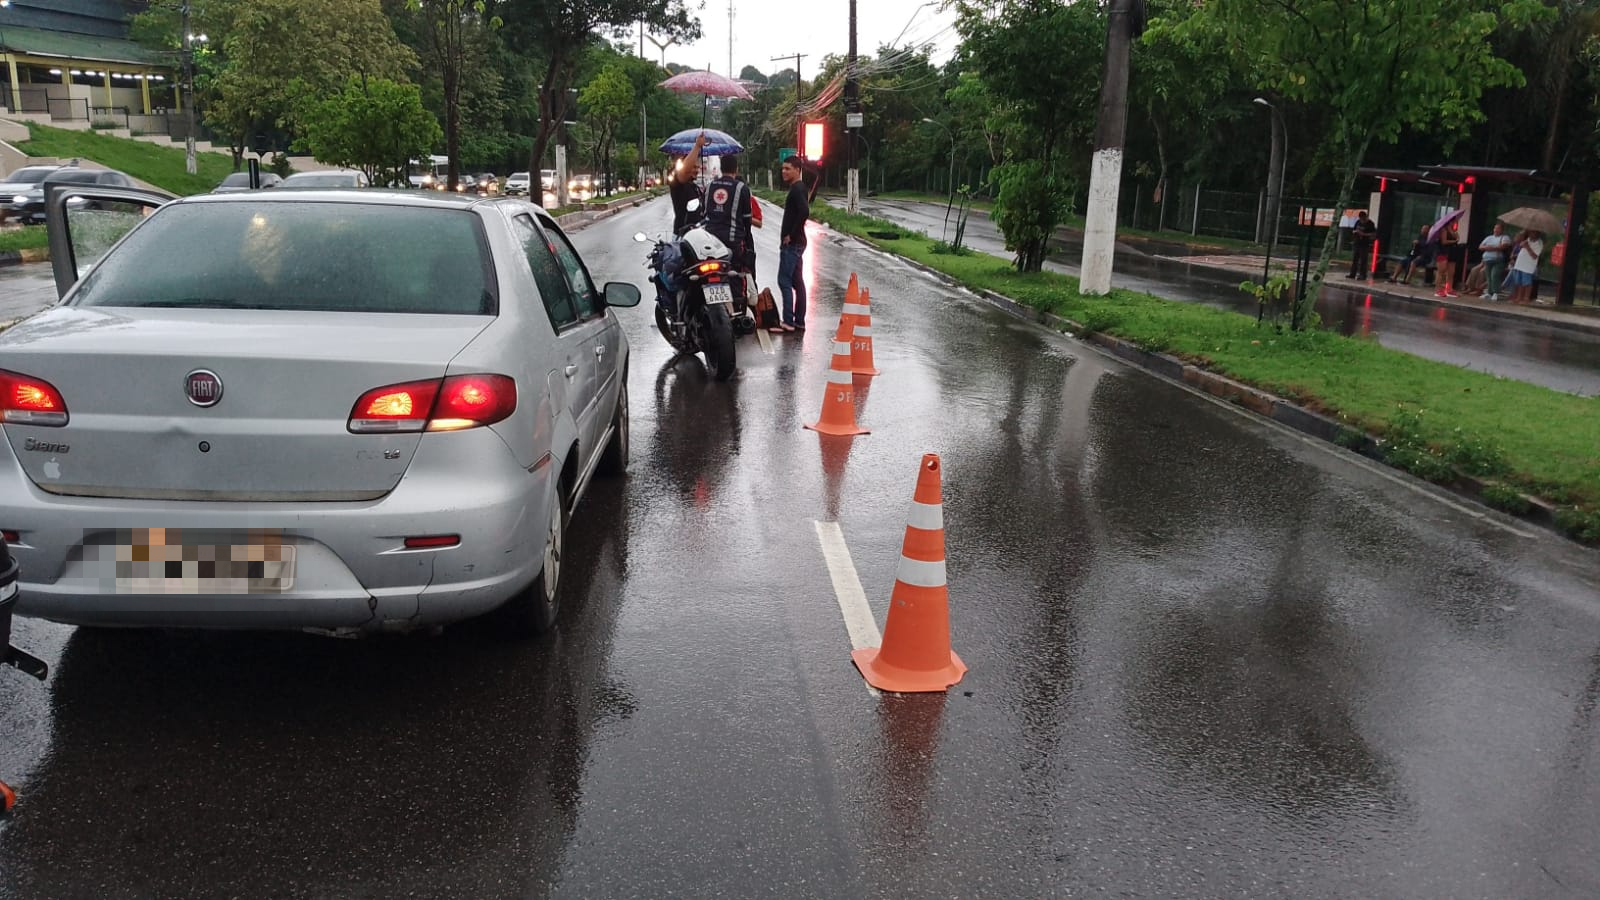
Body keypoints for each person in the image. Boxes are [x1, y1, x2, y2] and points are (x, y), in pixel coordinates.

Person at [774, 156, 810, 333]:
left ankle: (788, 321)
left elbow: (804, 211)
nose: (784, 172)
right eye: (783, 169)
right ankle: (799, 321)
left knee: (784, 280)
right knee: (797, 281)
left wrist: (791, 234)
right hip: (798, 242)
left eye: (788, 169)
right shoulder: (799, 188)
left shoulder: (797, 189)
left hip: (793, 243)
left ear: (797, 169)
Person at [670, 132, 708, 235]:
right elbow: (683, 172)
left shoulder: (695, 187)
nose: (696, 170)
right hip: (682, 236)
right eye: (693, 167)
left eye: (697, 167)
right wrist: (697, 146)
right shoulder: (677, 183)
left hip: (698, 235)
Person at [1478, 222, 1512, 301]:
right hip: (1488, 259)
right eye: (1495, 228)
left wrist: (1490, 248)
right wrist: (1489, 247)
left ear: (1502, 230)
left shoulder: (1504, 237)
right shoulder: (1489, 237)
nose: (1496, 230)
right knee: (1489, 276)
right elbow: (1480, 246)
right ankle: (1489, 292)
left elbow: (1503, 246)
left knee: (1495, 275)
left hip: (1498, 259)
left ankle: (1496, 292)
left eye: (1498, 228)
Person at [1510, 229, 1544, 305]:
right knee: (1519, 282)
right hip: (1520, 264)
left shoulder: (1539, 243)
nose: (1531, 234)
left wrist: (1527, 246)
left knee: (1527, 283)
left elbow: (1535, 256)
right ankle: (1519, 297)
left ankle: (1526, 298)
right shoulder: (1527, 239)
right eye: (1530, 232)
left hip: (1528, 266)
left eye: (1533, 232)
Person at [1346, 210, 1377, 279]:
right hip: (1357, 242)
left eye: (1363, 219)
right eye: (1361, 219)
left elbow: (1373, 234)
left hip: (1364, 243)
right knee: (1355, 259)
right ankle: (1352, 273)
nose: (1362, 220)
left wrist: (1364, 234)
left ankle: (1362, 274)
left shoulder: (1370, 223)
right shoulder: (1358, 222)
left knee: (1363, 260)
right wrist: (1355, 232)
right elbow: (1354, 229)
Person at [1434, 220, 1462, 297]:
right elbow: (1444, 241)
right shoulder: (1444, 229)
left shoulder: (1453, 230)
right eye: (1454, 222)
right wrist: (1453, 241)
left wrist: (1456, 235)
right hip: (1443, 251)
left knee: (1451, 272)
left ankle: (1449, 289)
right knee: (1441, 271)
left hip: (1452, 252)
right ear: (1450, 222)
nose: (1455, 223)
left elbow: (1457, 239)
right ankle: (1438, 289)